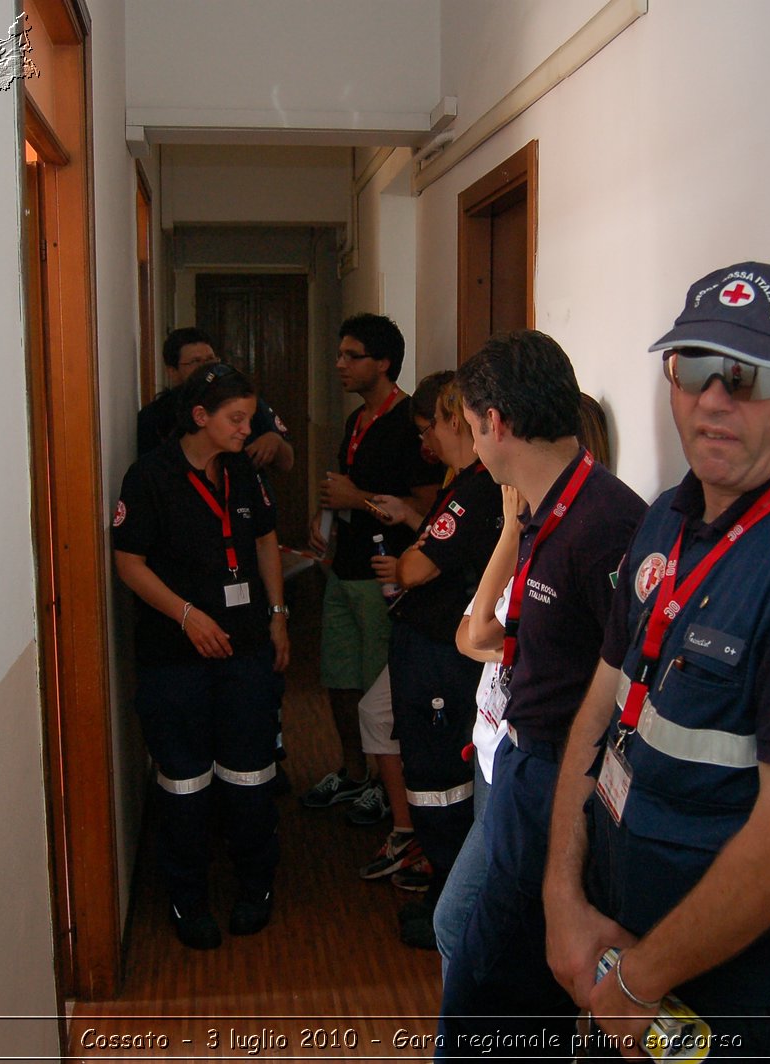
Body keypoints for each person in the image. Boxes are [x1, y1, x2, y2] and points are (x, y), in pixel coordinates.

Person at [543, 262, 770, 1060]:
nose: (714, 397)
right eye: (695, 367)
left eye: (746, 376)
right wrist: (561, 897)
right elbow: (603, 705)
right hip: (622, 957)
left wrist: (636, 986)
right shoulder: (665, 521)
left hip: (736, 1008)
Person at [436, 334, 645, 1059]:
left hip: (561, 782)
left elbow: (625, 685)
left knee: (492, 987)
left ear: (495, 422)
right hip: (527, 769)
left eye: (468, 425)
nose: (470, 441)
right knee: (490, 968)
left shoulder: (607, 524)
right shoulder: (544, 514)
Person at [111, 364, 291, 951]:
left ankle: (254, 887)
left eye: (249, 417)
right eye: (235, 419)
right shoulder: (150, 478)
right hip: (175, 655)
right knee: (184, 781)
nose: (247, 429)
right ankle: (187, 898)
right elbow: (128, 563)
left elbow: (264, 537)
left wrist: (279, 613)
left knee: (251, 772)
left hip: (244, 647)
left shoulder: (242, 472)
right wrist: (187, 615)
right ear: (199, 418)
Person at [435, 395, 612, 971]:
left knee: (458, 927)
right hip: (493, 752)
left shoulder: (579, 538)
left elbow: (482, 631)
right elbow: (468, 635)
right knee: (481, 933)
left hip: (526, 760)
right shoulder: (539, 534)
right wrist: (514, 534)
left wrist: (511, 534)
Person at [363, 371, 503, 950]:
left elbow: (419, 567)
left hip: (445, 660)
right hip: (431, 650)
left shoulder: (476, 488)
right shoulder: (460, 482)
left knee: (442, 782)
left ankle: (452, 895)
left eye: (438, 426)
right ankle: (448, 888)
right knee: (429, 773)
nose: (431, 440)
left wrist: (413, 555)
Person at [302, 314, 442, 816]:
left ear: (383, 363)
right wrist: (328, 519)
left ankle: (387, 790)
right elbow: (346, 490)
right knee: (338, 678)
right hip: (344, 568)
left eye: (351, 355)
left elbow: (428, 513)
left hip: (386, 579)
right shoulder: (356, 421)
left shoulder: (410, 425)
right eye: (339, 353)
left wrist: (357, 499)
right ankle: (354, 772)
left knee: (375, 687)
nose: (340, 364)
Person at [137, 326, 294, 472]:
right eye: (196, 362)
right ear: (172, 372)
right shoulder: (154, 417)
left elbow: (287, 462)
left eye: (210, 359)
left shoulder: (243, 402)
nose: (207, 368)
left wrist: (275, 441)